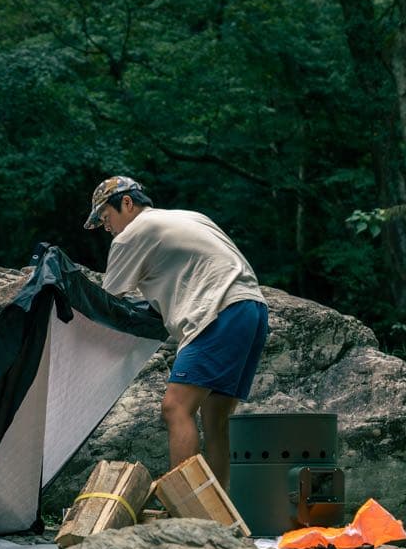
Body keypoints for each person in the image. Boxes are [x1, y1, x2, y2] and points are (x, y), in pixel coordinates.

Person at [84, 175, 268, 490]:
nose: (108, 228)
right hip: (252, 309)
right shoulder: (189, 217)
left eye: (106, 218)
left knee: (176, 407)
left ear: (126, 203)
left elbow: (107, 303)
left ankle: (187, 514)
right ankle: (215, 517)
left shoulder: (134, 234)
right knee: (214, 417)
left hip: (217, 311)